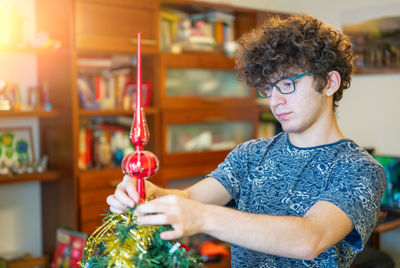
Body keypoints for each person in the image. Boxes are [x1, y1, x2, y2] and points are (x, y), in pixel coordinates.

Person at [107, 15, 387, 267]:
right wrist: (149, 194)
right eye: (268, 88)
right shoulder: (251, 155)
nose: (275, 101)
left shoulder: (359, 169)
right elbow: (189, 198)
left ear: (330, 83)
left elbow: (310, 238)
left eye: (288, 84)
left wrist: (202, 217)